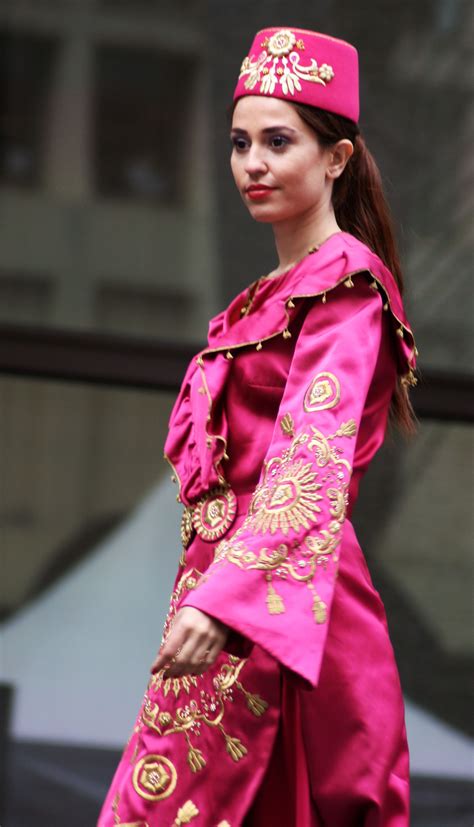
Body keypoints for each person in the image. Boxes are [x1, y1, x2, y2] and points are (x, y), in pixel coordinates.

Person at [98, 26, 418, 827]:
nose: (253, 163)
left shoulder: (346, 286)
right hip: (228, 599)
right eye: (240, 142)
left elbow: (309, 456)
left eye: (279, 141)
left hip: (287, 615)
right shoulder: (259, 298)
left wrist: (224, 601)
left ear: (336, 158)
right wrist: (210, 599)